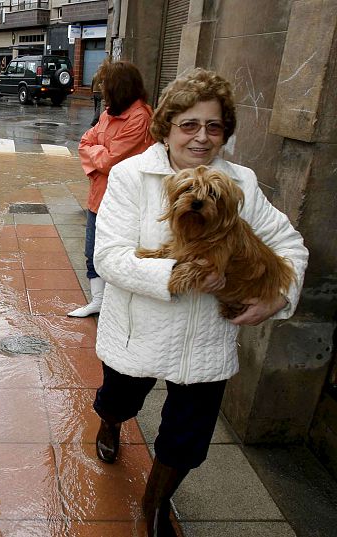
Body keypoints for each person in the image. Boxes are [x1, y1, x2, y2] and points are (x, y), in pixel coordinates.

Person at [91, 68, 308, 537]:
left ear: (225, 132)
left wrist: (277, 297)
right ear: (166, 127)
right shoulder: (132, 175)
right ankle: (110, 421)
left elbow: (290, 244)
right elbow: (108, 257)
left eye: (213, 126)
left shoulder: (241, 184)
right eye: (189, 124)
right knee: (120, 399)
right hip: (138, 328)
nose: (202, 137)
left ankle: (155, 501)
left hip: (206, 340)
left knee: (187, 438)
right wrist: (183, 275)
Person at [67, 61, 153, 317]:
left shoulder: (140, 118)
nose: (102, 89)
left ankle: (116, 306)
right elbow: (85, 141)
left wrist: (98, 153)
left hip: (122, 200)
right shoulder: (109, 113)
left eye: (106, 84)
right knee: (91, 251)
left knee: (117, 253)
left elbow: (109, 161)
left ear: (120, 87)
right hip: (98, 195)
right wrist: (100, 153)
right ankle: (98, 301)